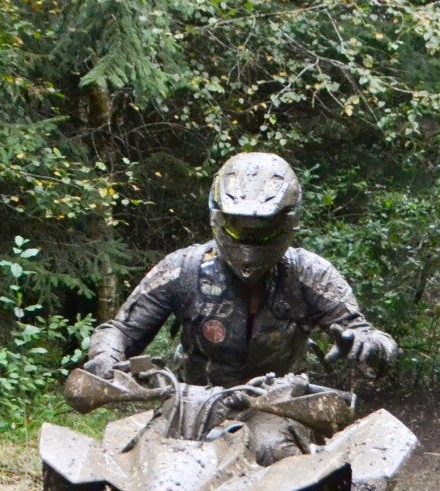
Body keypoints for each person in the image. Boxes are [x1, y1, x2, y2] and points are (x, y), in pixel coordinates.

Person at [75, 153, 398, 458]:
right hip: (191, 405)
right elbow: (121, 330)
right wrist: (106, 358)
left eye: (264, 230)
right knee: (142, 454)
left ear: (287, 223)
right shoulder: (184, 269)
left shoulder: (310, 274)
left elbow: (370, 337)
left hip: (277, 409)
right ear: (218, 217)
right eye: (237, 226)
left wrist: (368, 346)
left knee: (273, 450)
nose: (249, 240)